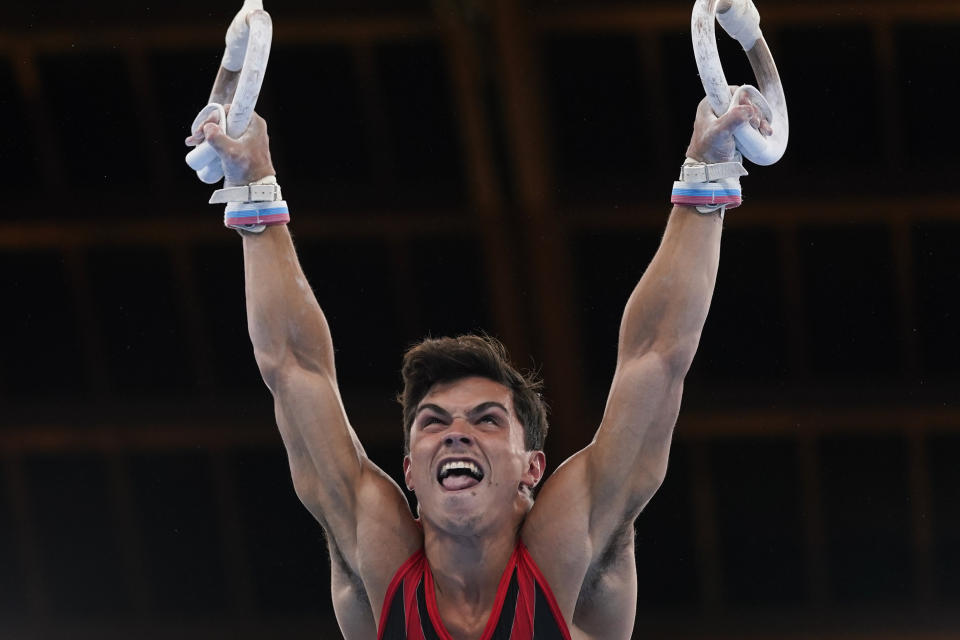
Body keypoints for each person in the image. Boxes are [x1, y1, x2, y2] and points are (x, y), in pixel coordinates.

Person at [186, 85, 771, 639]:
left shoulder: (566, 550)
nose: (456, 435)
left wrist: (706, 174)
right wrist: (254, 186)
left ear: (532, 469)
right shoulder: (380, 552)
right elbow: (293, 370)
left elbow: (658, 354)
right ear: (410, 472)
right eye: (433, 422)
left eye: (487, 420)